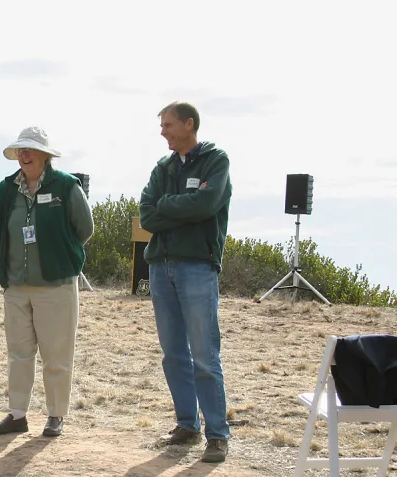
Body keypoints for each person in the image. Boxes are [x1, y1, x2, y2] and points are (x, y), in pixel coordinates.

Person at [139, 101, 233, 463]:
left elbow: (206, 205)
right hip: (160, 267)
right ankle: (186, 424)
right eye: (161, 125)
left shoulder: (215, 160)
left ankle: (217, 435)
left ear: (189, 124)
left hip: (197, 267)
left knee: (204, 356)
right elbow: (147, 214)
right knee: (174, 354)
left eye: (168, 124)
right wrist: (178, 207)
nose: (162, 131)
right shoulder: (162, 167)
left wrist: (168, 207)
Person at [0, 127, 93, 438]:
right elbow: (4, 231)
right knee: (18, 351)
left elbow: (84, 228)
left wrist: (60, 254)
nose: (25, 154)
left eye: (31, 149)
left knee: (56, 353)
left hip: (56, 283)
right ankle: (17, 414)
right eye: (21, 150)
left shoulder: (66, 186)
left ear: (46, 155)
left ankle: (55, 415)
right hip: (16, 284)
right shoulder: (6, 189)